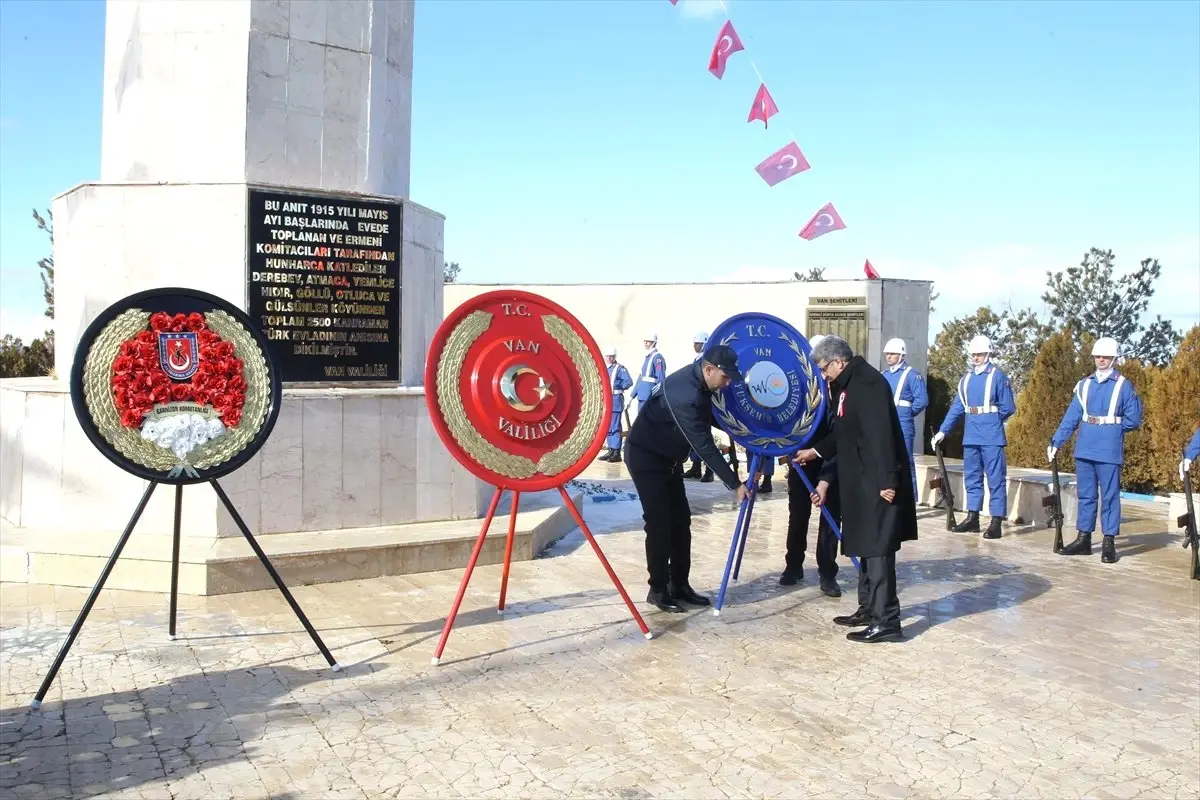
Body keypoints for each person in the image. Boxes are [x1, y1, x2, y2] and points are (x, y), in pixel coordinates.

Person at [793, 335, 917, 643]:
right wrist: (815, 452)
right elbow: (844, 433)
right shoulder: (848, 385)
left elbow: (882, 436)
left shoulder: (868, 385)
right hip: (860, 482)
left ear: (837, 361)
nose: (823, 376)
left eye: (824, 369)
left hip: (877, 483)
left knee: (878, 550)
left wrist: (889, 480)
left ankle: (887, 619)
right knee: (864, 544)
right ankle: (868, 608)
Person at [626, 344, 752, 612]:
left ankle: (679, 585)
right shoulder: (685, 393)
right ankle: (658, 589)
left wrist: (750, 436)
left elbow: (714, 418)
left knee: (681, 522)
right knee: (659, 524)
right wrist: (735, 484)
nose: (727, 383)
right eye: (725, 377)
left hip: (669, 460)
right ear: (709, 369)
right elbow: (704, 444)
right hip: (646, 458)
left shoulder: (703, 384)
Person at [1048, 337, 1143, 563]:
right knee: (1086, 495)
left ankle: (1108, 542)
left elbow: (1133, 419)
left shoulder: (1123, 385)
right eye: (1098, 356)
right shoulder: (1084, 385)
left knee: (1109, 496)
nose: (1101, 360)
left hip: (1109, 448)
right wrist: (1056, 441)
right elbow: (1071, 417)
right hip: (1085, 446)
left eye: (1106, 356)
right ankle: (1084, 538)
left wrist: (1111, 428)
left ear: (1113, 358)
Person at [930, 335, 1016, 540]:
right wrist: (943, 430)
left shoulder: (997, 376)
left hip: (991, 436)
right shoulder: (966, 379)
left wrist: (990, 420)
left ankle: (996, 521)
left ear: (987, 354)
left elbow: (1008, 407)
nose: (976, 357)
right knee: (972, 478)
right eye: (974, 354)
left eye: (979, 354)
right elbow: (957, 408)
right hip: (971, 435)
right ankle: (973, 517)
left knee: (995, 479)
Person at [880, 338, 928, 499]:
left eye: (892, 354)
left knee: (906, 462)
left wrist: (906, 414)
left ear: (901, 355)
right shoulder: (884, 375)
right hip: (886, 422)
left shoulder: (912, 375)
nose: (889, 357)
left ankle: (911, 500)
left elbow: (921, 400)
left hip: (903, 423)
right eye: (887, 354)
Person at [683, 331, 715, 482]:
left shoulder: (706, 361)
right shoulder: (697, 359)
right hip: (695, 403)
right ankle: (696, 466)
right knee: (694, 436)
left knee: (705, 438)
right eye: (694, 343)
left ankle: (709, 470)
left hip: (704, 403)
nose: (695, 346)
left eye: (698, 343)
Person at [599, 345, 633, 462]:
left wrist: (619, 387)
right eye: (608, 356)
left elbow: (628, 382)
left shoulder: (620, 368)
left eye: (611, 356)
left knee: (615, 427)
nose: (609, 358)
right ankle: (611, 449)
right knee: (607, 427)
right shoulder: (603, 368)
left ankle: (616, 451)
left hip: (616, 400)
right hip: (607, 400)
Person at [632, 333, 666, 420]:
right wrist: (632, 395)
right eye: (645, 341)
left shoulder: (657, 357)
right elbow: (641, 378)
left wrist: (657, 395)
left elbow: (660, 378)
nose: (646, 343)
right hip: (642, 394)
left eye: (648, 342)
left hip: (649, 394)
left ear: (654, 343)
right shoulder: (647, 357)